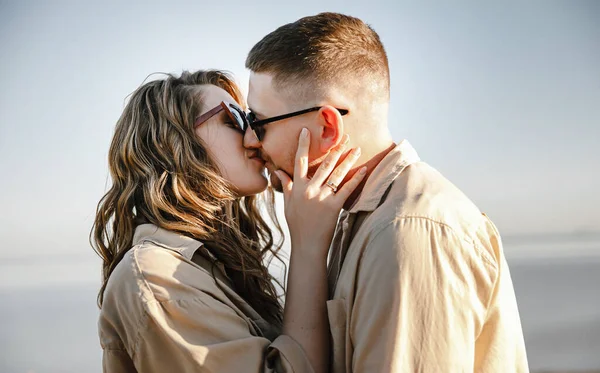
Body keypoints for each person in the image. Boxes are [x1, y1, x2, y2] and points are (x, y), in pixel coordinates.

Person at [244, 12, 529, 372]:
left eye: (257, 122)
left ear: (327, 127)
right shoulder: (363, 218)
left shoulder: (408, 232)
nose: (250, 140)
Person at [92, 69, 366, 373]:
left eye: (250, 121)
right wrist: (307, 247)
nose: (254, 139)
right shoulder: (156, 275)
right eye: (233, 120)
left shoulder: (207, 266)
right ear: (172, 141)